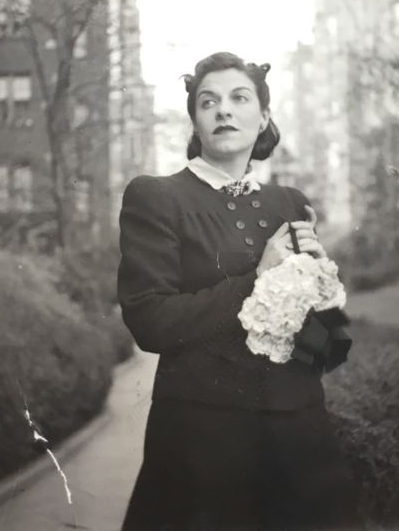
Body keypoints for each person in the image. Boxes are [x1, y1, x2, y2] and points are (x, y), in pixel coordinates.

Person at [117, 52, 358, 530]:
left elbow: (323, 346)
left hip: (299, 435)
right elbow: (151, 322)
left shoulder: (289, 202)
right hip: (202, 439)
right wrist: (259, 278)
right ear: (195, 121)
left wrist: (322, 293)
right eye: (208, 102)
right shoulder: (158, 197)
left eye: (238, 98)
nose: (223, 110)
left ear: (263, 117)